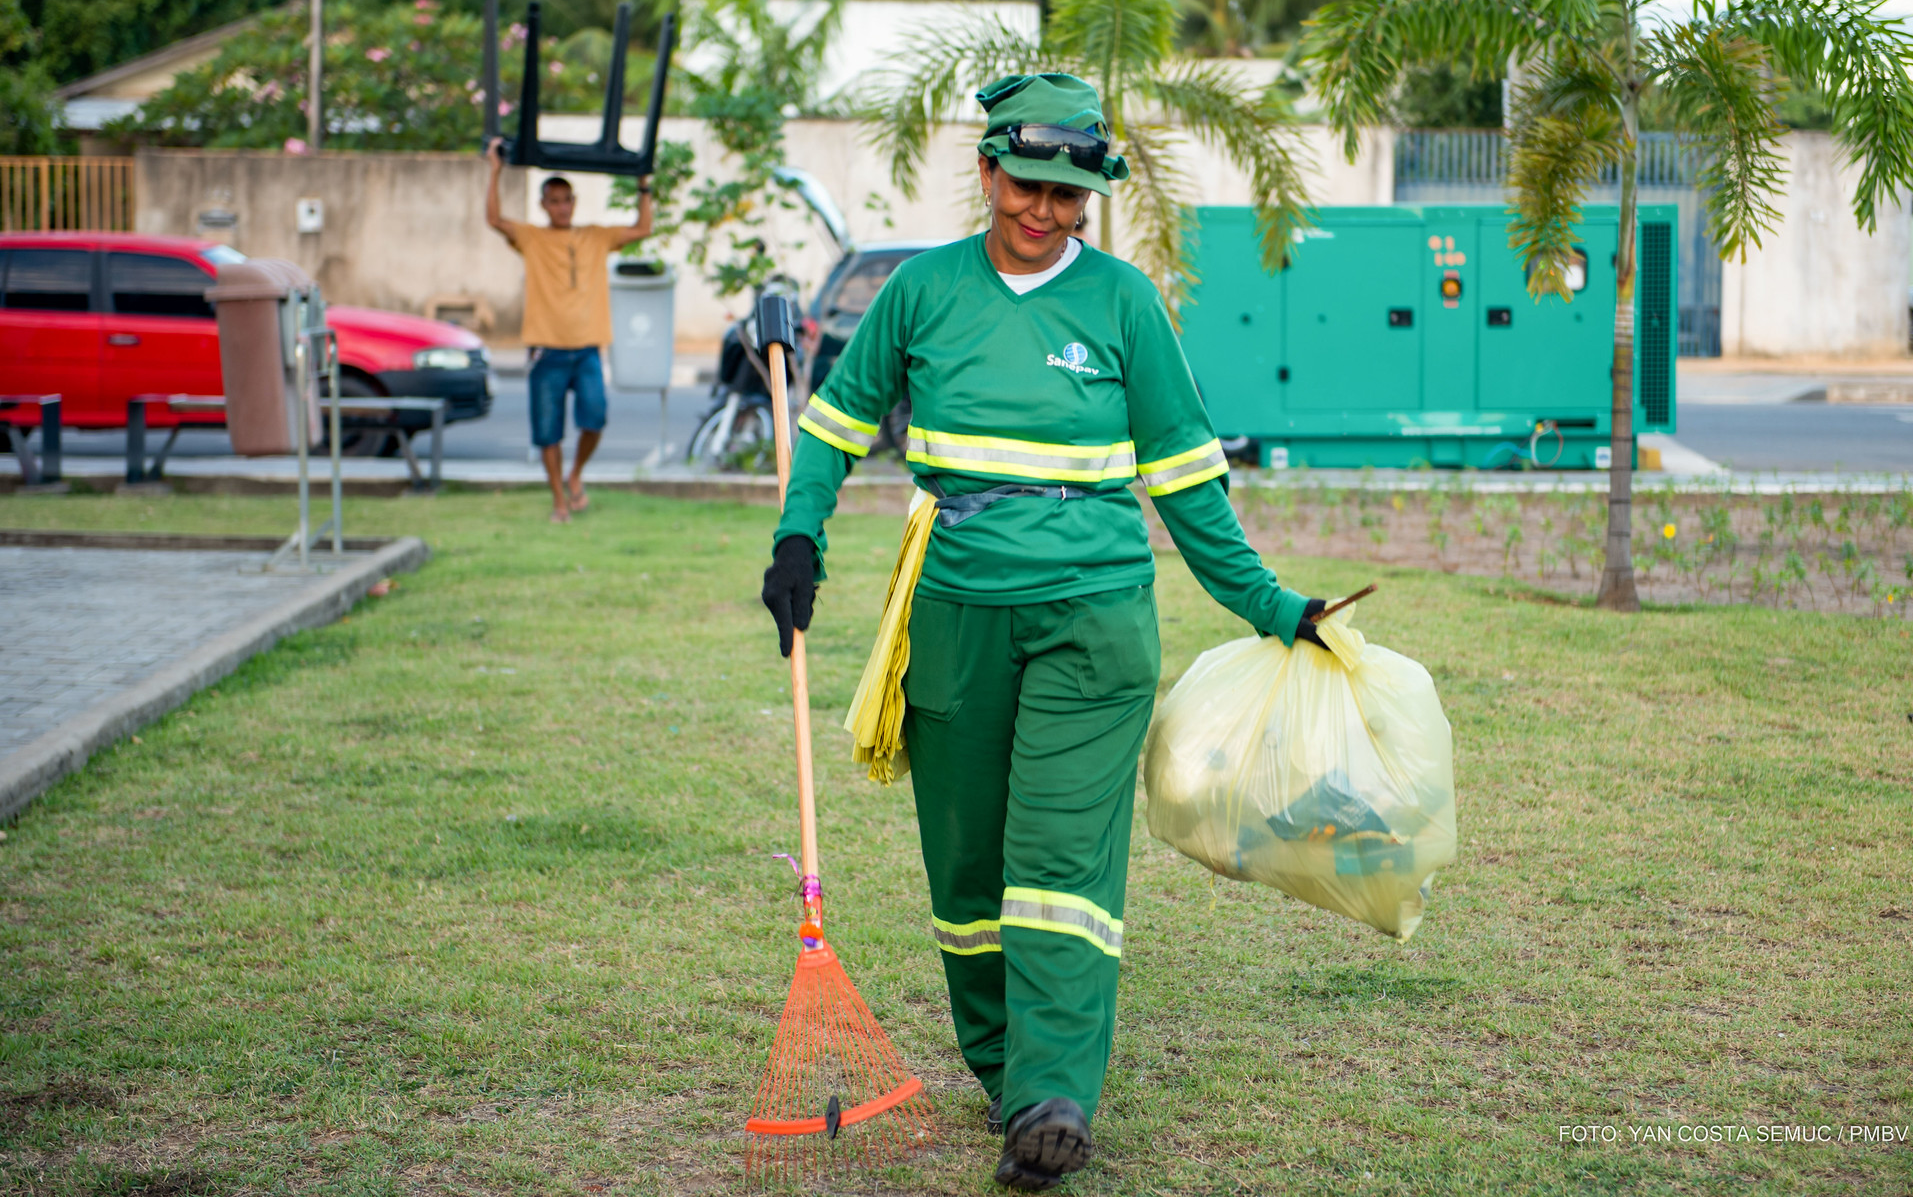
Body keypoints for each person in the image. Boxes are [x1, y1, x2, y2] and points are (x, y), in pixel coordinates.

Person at [758, 73, 1328, 1191]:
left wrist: (1271, 605)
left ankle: (1052, 1093)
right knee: (967, 871)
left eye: (1070, 195)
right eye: (1027, 185)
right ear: (985, 172)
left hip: (1093, 616)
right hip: (955, 614)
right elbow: (829, 424)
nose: (1046, 211)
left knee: (1058, 865)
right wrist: (797, 538)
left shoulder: (1122, 305)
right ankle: (1003, 1072)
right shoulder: (921, 292)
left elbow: (1185, 481)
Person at [485, 139, 653, 522]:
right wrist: (494, 171)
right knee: (548, 432)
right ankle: (559, 501)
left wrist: (643, 183)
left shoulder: (596, 235)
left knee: (595, 418)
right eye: (554, 200)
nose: (561, 207)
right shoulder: (532, 237)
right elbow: (495, 220)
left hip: (588, 349)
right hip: (547, 351)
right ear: (544, 205)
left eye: (567, 200)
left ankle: (575, 472)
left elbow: (643, 227)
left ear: (574, 202)